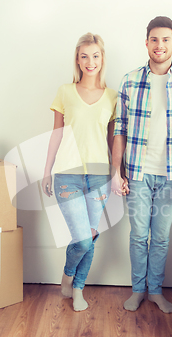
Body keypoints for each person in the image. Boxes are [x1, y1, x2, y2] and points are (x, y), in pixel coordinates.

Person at [112, 16, 172, 314]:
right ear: (146, 42)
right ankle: (138, 290)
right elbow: (119, 130)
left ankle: (155, 291)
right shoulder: (130, 80)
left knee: (160, 238)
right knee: (138, 236)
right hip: (137, 173)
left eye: (165, 40)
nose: (159, 45)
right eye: (154, 39)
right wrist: (117, 173)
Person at [42, 33, 118, 312]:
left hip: (99, 177)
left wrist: (118, 172)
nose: (90, 61)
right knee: (84, 238)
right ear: (77, 59)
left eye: (95, 56)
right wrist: (47, 171)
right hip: (67, 174)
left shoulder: (112, 97)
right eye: (84, 56)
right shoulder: (65, 92)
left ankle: (76, 289)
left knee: (90, 236)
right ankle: (68, 273)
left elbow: (113, 141)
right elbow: (55, 134)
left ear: (102, 59)